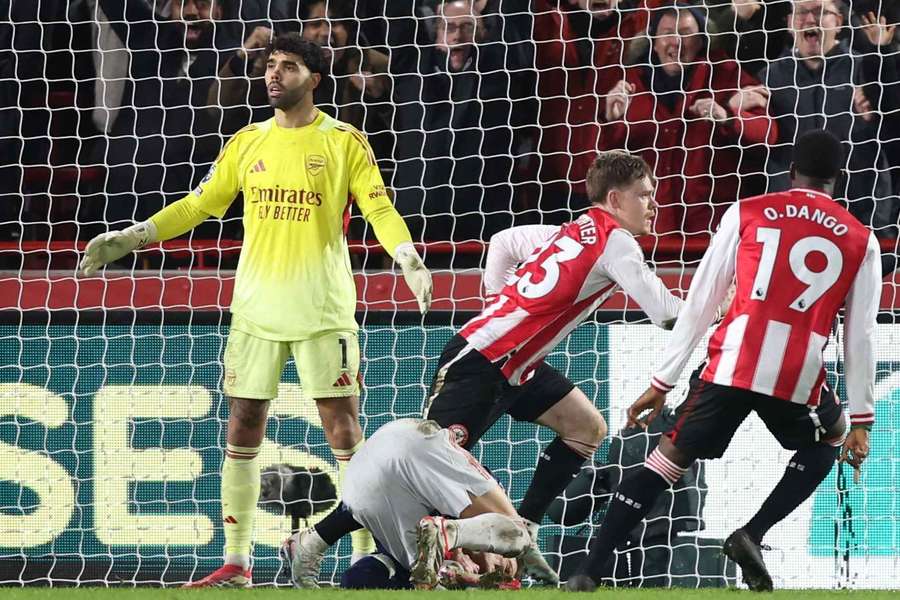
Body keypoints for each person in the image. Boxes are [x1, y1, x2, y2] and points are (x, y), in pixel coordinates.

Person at [285, 150, 739, 586]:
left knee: (586, 427)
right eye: (645, 194)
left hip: (517, 366)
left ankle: (525, 526)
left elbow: (503, 242)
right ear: (615, 200)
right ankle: (319, 541)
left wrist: (498, 303)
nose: (654, 204)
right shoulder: (615, 241)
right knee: (425, 472)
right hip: (479, 364)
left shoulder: (573, 229)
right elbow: (666, 315)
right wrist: (721, 304)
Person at [78, 34, 433, 587]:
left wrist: (406, 253)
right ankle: (237, 563)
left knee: (342, 431)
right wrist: (136, 236)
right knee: (243, 425)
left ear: (314, 79)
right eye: (270, 66)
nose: (274, 75)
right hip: (255, 311)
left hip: (322, 309)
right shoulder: (248, 141)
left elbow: (378, 206)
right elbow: (201, 204)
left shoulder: (343, 141)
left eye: (288, 67)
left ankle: (371, 557)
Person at [566, 130, 880, 592]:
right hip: (796, 373)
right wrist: (861, 418)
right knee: (829, 438)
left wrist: (663, 380)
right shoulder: (861, 240)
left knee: (667, 457)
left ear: (790, 170)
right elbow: (861, 336)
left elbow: (700, 301)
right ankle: (751, 534)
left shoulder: (748, 212)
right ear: (838, 177)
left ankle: (587, 571)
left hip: (733, 361)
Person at [280, 418, 557, 589]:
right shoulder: (482, 511)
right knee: (517, 535)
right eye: (502, 564)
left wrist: (465, 577)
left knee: (412, 575)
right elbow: (506, 531)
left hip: (365, 486)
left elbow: (355, 579)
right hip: (411, 442)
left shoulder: (408, 558)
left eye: (494, 573)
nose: (493, 565)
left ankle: (310, 542)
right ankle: (310, 542)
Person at [599, 3, 777, 235]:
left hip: (713, 231)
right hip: (649, 232)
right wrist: (610, 122)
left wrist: (729, 117)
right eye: (667, 34)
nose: (675, 42)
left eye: (686, 34)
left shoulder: (727, 76)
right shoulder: (628, 87)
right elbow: (602, 164)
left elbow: (768, 133)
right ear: (653, 42)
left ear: (702, 40)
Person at [761, 0, 896, 247]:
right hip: (792, 216)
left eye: (821, 12)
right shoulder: (770, 76)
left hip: (859, 216)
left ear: (839, 23)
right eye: (802, 12)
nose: (810, 19)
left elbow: (891, 125)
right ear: (790, 23)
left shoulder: (866, 68)